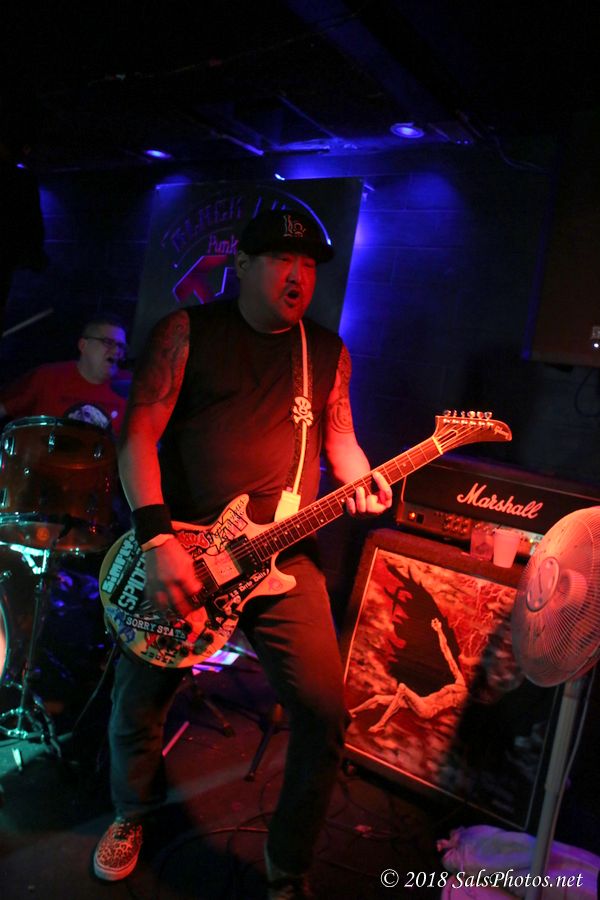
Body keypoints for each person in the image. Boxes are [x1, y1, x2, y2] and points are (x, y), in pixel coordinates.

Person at [92, 209, 392, 898]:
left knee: (323, 712)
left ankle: (288, 867)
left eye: (309, 264)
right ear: (243, 265)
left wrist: (364, 479)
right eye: (284, 260)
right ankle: (130, 813)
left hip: (286, 557)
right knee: (140, 698)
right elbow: (137, 436)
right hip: (189, 550)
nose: (299, 276)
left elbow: (342, 441)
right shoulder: (187, 331)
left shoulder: (326, 351)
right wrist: (158, 540)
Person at [0, 313, 128, 434]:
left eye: (121, 346)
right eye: (108, 342)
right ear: (83, 345)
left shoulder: (131, 387)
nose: (116, 351)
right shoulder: (47, 377)